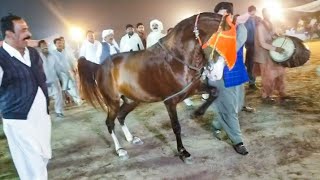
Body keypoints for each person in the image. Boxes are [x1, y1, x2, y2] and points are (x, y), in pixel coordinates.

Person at [0, 14, 51, 179]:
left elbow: (41, 79)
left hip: (42, 117)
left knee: (43, 157)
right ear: (9, 34)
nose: (28, 33)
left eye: (27, 29)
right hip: (18, 121)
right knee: (32, 162)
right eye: (22, 30)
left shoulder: (33, 54)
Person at [205, 2, 249, 155]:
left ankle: (217, 124)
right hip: (220, 76)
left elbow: (233, 47)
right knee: (230, 110)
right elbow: (206, 50)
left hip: (236, 73)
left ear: (230, 15)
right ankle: (238, 141)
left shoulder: (239, 28)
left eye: (225, 14)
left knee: (236, 107)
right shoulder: (212, 31)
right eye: (219, 15)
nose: (222, 18)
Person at [253, 8, 286, 103]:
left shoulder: (270, 24)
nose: (269, 15)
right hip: (262, 55)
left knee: (278, 72)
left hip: (270, 53)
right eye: (267, 13)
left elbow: (272, 36)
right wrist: (276, 48)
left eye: (270, 13)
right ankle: (266, 95)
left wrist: (277, 36)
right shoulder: (260, 26)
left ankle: (280, 92)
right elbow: (262, 43)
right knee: (266, 76)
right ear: (263, 14)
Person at [38, 40, 65, 117]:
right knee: (44, 98)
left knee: (58, 96)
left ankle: (58, 111)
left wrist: (60, 77)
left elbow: (58, 67)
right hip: (43, 81)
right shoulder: (38, 57)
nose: (45, 47)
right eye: (43, 46)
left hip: (54, 79)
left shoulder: (52, 56)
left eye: (46, 45)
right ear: (40, 48)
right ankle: (45, 112)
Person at [52, 38, 83, 106]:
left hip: (69, 71)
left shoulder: (65, 51)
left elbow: (71, 60)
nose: (59, 44)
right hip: (61, 74)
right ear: (55, 44)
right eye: (58, 43)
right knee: (67, 87)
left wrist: (74, 67)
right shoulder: (53, 53)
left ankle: (77, 99)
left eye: (60, 43)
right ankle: (74, 100)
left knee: (73, 85)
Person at [244, 5, 260, 90]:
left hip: (259, 45)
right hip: (250, 45)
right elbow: (245, 33)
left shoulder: (259, 20)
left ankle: (254, 80)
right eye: (250, 11)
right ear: (249, 12)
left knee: (257, 63)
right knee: (250, 64)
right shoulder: (246, 21)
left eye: (253, 11)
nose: (252, 13)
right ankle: (251, 82)